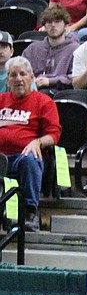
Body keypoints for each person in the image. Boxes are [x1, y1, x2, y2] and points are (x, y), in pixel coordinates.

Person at [0, 56, 62, 231]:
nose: (18, 79)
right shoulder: (1, 100)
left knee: (30, 159)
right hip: (1, 157)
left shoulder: (44, 102)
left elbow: (54, 134)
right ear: (8, 79)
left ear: (32, 77)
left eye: (23, 74)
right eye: (13, 75)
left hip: (23, 157)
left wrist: (38, 142)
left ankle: (30, 212)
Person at [24, 3, 78, 92]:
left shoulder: (75, 49)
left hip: (61, 91)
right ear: (44, 26)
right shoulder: (32, 49)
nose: (53, 25)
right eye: (49, 22)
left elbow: (77, 77)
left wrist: (50, 81)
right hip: (32, 90)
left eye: (57, 21)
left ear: (66, 25)